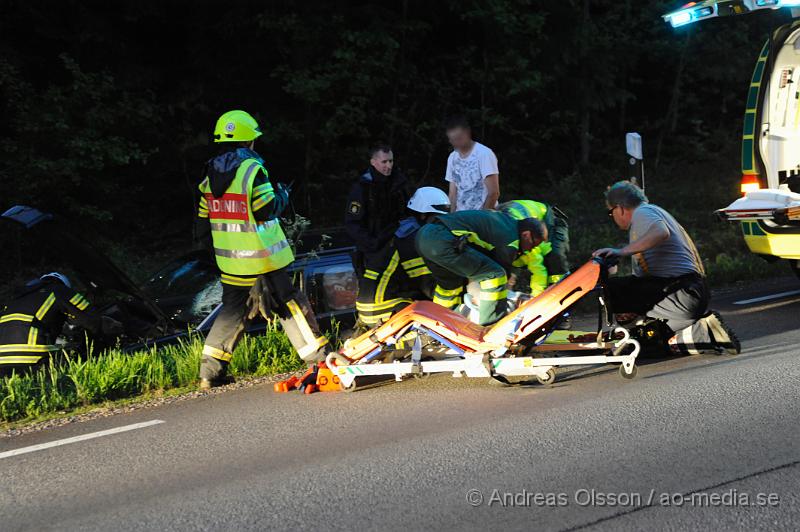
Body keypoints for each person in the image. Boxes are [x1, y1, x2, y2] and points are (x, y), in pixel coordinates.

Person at [196, 110, 328, 389]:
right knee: (291, 304)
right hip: (262, 258)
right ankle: (320, 360)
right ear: (249, 141)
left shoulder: (209, 173)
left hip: (230, 261)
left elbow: (202, 219)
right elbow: (265, 209)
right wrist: (282, 195)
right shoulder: (252, 169)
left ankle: (210, 373)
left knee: (232, 312)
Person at [593, 181, 740, 355]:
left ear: (620, 208)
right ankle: (702, 332)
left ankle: (647, 336)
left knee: (610, 291)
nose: (613, 217)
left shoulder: (642, 212)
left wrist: (621, 252)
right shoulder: (654, 212)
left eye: (611, 212)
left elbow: (661, 232)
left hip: (681, 292)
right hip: (689, 293)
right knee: (644, 345)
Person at [416, 210, 547, 325]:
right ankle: (490, 327)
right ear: (526, 235)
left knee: (450, 286)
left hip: (423, 236)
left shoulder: (505, 222)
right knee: (496, 275)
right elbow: (500, 275)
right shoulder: (511, 240)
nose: (531, 249)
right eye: (534, 244)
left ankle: (440, 325)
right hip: (443, 240)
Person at [355, 187, 448, 328]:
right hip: (382, 307)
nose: (440, 225)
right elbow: (427, 285)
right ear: (423, 215)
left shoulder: (403, 230)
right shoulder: (411, 240)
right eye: (436, 219)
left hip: (375, 304)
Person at [0, 273, 121, 372]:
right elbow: (91, 319)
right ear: (63, 284)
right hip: (33, 359)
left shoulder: (14, 300)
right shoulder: (59, 290)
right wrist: (108, 333)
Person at [345, 144, 412, 276]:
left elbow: (409, 212)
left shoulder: (399, 183)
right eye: (384, 162)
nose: (389, 166)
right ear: (373, 162)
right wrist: (372, 243)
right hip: (373, 252)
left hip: (399, 247)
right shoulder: (362, 189)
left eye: (391, 161)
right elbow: (352, 224)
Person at [500, 199, 571, 296]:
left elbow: (538, 270)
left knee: (554, 258)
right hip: (526, 223)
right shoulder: (502, 242)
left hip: (550, 221)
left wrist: (536, 299)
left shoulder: (527, 240)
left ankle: (562, 293)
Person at [443, 115, 500, 212]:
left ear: (467, 133)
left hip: (482, 215)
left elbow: (494, 193)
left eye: (458, 138)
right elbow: (452, 194)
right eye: (452, 139)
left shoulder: (484, 154)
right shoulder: (452, 157)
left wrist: (481, 218)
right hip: (461, 217)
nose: (455, 143)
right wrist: (451, 218)